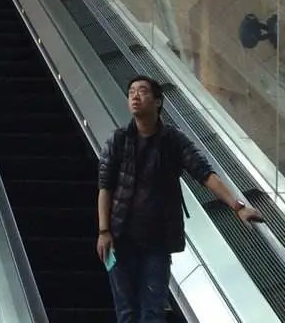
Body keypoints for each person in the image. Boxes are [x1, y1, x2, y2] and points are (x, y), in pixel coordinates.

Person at [97, 76, 260, 323]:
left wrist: (238, 206)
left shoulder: (174, 140)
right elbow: (105, 187)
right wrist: (104, 230)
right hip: (120, 239)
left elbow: (205, 173)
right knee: (126, 314)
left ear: (158, 101)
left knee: (152, 312)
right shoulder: (118, 140)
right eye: (131, 92)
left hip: (157, 242)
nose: (135, 96)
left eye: (142, 91)